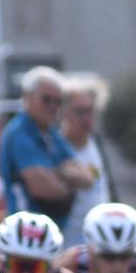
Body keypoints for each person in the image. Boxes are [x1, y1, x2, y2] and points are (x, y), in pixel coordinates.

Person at [0, 66, 94, 229]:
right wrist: (65, 176)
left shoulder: (51, 134)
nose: (53, 106)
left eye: (58, 101)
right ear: (27, 97)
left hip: (50, 233)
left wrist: (54, 174)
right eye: (46, 99)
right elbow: (43, 188)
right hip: (26, 232)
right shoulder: (20, 133)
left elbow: (87, 178)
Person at [56, 73, 114, 248]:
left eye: (91, 111)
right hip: (66, 242)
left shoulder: (96, 143)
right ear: (64, 112)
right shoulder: (56, 148)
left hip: (97, 241)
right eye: (80, 112)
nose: (87, 118)